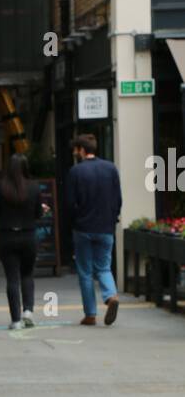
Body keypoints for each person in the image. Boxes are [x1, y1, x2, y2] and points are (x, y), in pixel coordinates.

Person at [66, 133, 122, 327]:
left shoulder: (76, 172)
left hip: (83, 228)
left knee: (85, 271)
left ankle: (90, 314)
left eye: (76, 149)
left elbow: (70, 203)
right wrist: (113, 217)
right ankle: (111, 296)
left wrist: (74, 221)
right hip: (106, 226)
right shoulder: (110, 169)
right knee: (104, 267)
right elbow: (118, 199)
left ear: (82, 150)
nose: (75, 153)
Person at [0, 154, 45, 330]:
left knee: (12, 278)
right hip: (28, 236)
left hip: (7, 236)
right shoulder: (34, 187)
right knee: (27, 274)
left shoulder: (0, 187)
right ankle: (28, 310)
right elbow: (38, 214)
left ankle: (16, 320)